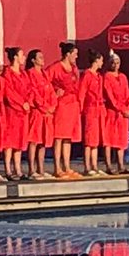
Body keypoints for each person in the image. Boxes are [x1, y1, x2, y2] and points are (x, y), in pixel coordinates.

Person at [47, 42, 82, 180]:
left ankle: (67, 166)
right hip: (62, 105)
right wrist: (54, 92)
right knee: (59, 137)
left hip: (73, 105)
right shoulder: (55, 68)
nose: (76, 56)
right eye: (75, 54)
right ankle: (57, 168)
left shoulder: (74, 68)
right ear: (68, 54)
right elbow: (45, 82)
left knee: (68, 138)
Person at [26, 49, 57, 180]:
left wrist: (52, 106)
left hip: (47, 113)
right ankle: (32, 169)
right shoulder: (30, 74)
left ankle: (41, 169)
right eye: (40, 57)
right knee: (34, 140)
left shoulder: (44, 74)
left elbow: (51, 91)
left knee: (43, 141)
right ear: (33, 60)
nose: (42, 59)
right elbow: (33, 92)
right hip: (37, 112)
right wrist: (44, 107)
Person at [2, 47, 32, 181]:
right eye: (22, 55)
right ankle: (8, 169)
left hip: (23, 112)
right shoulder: (7, 73)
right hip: (12, 111)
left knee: (20, 140)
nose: (24, 57)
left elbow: (29, 89)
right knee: (10, 141)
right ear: (15, 57)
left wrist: (27, 102)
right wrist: (20, 103)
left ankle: (18, 169)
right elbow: (9, 93)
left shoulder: (23, 74)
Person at [102, 51, 129, 175]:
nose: (115, 65)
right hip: (111, 112)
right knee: (108, 140)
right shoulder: (107, 77)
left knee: (121, 140)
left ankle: (121, 165)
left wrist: (128, 109)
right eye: (113, 63)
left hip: (123, 114)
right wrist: (120, 109)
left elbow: (128, 95)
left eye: (117, 62)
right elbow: (110, 96)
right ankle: (109, 165)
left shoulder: (123, 77)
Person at [78, 49, 106, 176]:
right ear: (96, 61)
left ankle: (94, 165)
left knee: (96, 140)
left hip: (99, 109)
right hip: (90, 109)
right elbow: (82, 93)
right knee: (89, 140)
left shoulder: (99, 76)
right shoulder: (87, 75)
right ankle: (87, 166)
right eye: (101, 60)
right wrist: (82, 109)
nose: (102, 63)